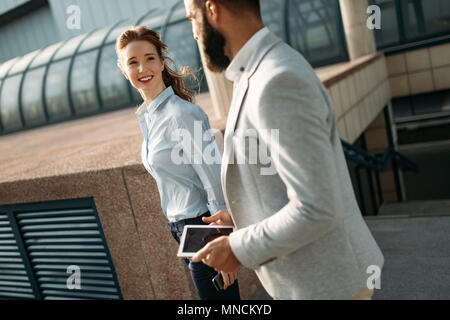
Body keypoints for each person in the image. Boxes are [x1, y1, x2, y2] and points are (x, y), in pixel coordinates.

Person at [184, 0, 385, 300]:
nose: (194, 34)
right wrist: (239, 217)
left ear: (212, 10)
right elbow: (275, 176)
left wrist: (237, 248)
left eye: (192, 18)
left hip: (331, 286)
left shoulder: (277, 79)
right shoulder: (252, 73)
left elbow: (317, 206)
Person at [115, 26, 240, 300]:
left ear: (161, 61)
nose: (142, 67)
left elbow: (213, 173)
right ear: (124, 70)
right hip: (179, 226)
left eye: (149, 58)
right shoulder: (149, 119)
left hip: (201, 224)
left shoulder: (183, 114)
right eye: (133, 62)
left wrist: (222, 239)